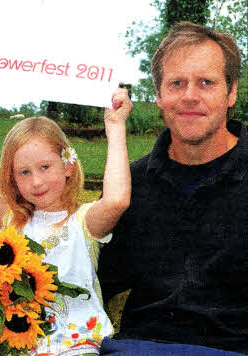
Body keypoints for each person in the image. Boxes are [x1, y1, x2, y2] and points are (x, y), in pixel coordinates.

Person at [0, 59, 132, 355]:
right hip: (19, 347)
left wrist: (115, 127)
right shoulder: (11, 220)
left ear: (68, 165)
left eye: (45, 167)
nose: (37, 181)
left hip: (78, 347)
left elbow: (117, 200)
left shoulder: (84, 222)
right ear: (11, 179)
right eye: (24, 172)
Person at [98, 21, 247, 355]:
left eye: (206, 83)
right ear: (159, 96)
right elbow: (89, 281)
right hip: (139, 347)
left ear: (231, 91)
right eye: (177, 83)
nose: (190, 96)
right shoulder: (128, 186)